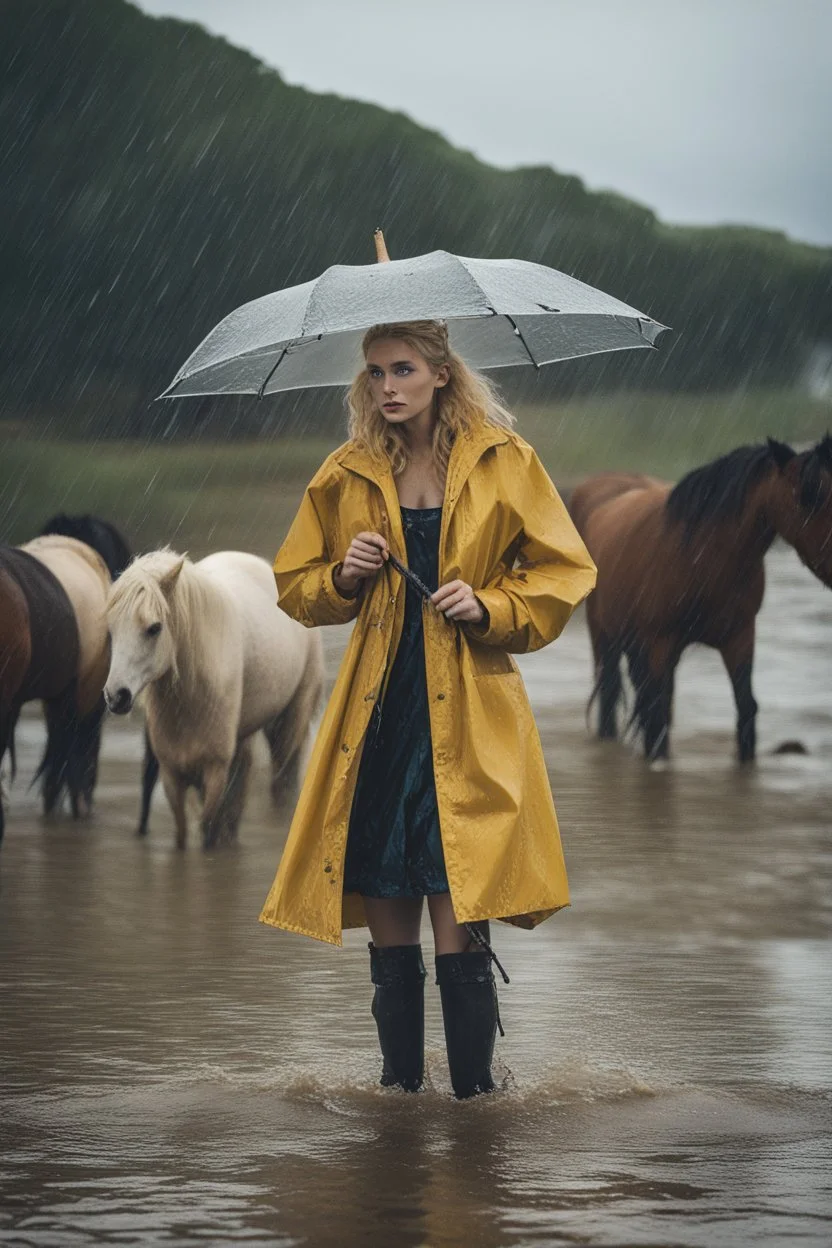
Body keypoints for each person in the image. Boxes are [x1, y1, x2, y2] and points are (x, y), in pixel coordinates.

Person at [259, 319, 597, 1097]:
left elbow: (563, 571)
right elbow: (295, 585)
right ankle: (399, 1101)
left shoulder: (505, 462)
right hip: (376, 722)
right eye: (375, 373)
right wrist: (344, 574)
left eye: (403, 368)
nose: (387, 387)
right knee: (390, 930)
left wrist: (488, 605)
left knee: (461, 913)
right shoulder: (346, 474)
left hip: (470, 719)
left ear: (441, 372)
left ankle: (476, 1107)